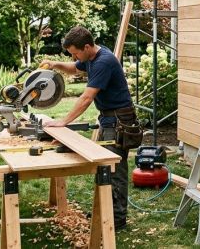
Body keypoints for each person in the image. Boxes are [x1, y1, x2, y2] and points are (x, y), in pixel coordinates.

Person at [43, 26, 138, 231]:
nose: (75, 57)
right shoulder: (91, 58)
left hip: (119, 121)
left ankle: (118, 218)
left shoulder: (104, 61)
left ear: (87, 46)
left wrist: (63, 121)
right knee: (104, 167)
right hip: (109, 120)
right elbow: (74, 68)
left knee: (114, 169)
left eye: (76, 52)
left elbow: (86, 98)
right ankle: (105, 210)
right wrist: (55, 64)